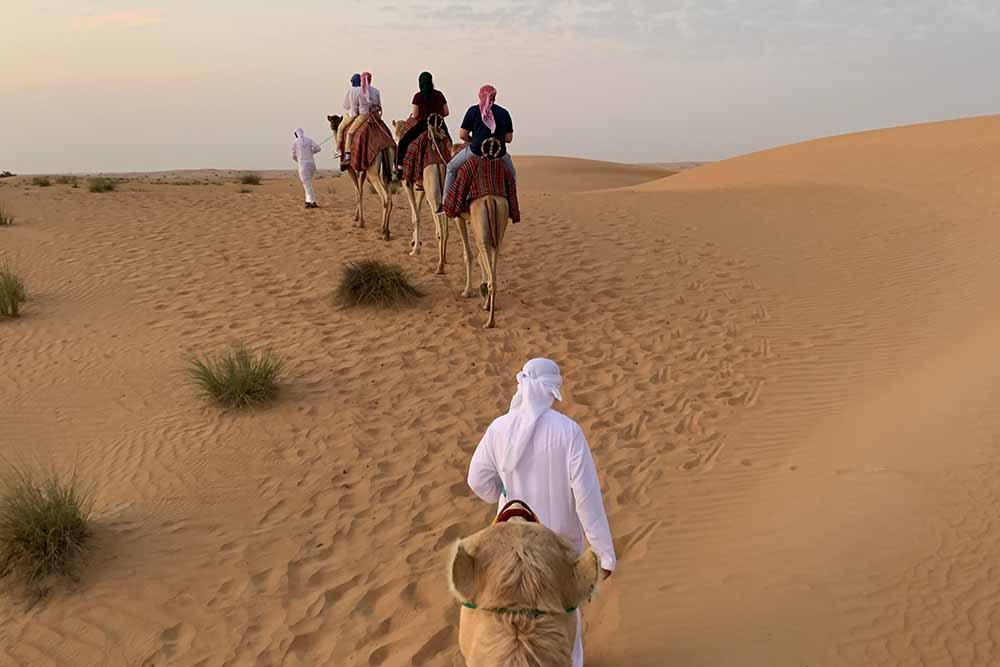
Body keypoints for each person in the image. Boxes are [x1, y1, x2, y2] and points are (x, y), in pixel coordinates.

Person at [467, 358, 616, 667]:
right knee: (564, 620)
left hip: (511, 547)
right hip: (558, 549)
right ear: (550, 390)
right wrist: (604, 554)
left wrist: (502, 492)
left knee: (514, 620)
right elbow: (587, 498)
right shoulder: (568, 432)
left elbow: (477, 480)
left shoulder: (499, 428)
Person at [439, 84, 515, 213]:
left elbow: (462, 135)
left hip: (476, 152)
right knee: (512, 174)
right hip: (499, 153)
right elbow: (509, 139)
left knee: (451, 167)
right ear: (494, 97)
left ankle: (445, 202)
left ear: (480, 96)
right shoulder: (504, 112)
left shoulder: (473, 111)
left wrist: (473, 142)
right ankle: (512, 201)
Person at [395, 71, 450, 177]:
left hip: (423, 125)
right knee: (450, 144)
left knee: (403, 142)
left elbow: (415, 115)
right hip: (440, 125)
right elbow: (446, 112)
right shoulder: (439, 94)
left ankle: (400, 168)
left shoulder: (418, 96)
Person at [342, 71, 382, 162]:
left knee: (349, 132)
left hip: (362, 115)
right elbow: (379, 106)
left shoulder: (360, 91)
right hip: (375, 117)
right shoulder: (375, 91)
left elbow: (349, 106)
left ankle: (347, 153)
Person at [291, 128, 321, 208]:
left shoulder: (295, 142)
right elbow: (318, 148)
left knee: (307, 185)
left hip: (303, 166)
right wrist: (311, 152)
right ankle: (308, 201)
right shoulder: (309, 140)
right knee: (307, 184)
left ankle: (312, 202)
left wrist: (298, 159)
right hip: (312, 165)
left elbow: (293, 156)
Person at [337, 74, 361, 161]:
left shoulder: (350, 91)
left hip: (353, 115)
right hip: (367, 115)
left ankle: (339, 150)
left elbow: (346, 106)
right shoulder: (365, 90)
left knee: (340, 128)